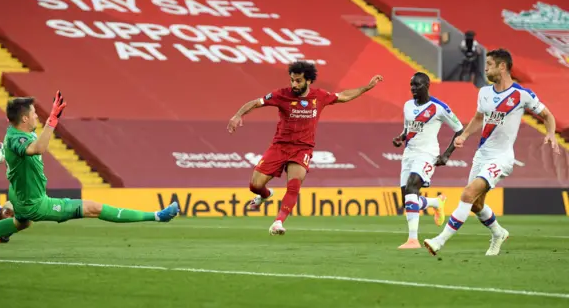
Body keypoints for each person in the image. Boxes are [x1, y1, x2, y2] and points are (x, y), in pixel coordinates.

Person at [0, 91, 180, 259]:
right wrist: (53, 120)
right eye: (34, 113)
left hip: (21, 198)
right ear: (24, 118)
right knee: (94, 208)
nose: (37, 116)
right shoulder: (18, 137)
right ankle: (158, 216)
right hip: (35, 202)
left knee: (20, 223)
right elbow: (38, 149)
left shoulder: (15, 133)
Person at [424, 48, 560, 256]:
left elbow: (547, 115)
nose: (485, 68)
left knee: (467, 193)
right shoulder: (484, 92)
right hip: (482, 155)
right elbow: (479, 118)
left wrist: (550, 133)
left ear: (502, 66)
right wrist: (463, 136)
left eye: (488, 64)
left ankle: (439, 241)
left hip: (502, 157)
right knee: (477, 204)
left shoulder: (521, 95)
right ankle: (498, 233)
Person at [227, 61, 383, 235]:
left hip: (302, 149)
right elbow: (257, 102)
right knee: (255, 185)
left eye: (298, 81)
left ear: (309, 81)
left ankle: (278, 222)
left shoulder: (320, 96)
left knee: (293, 185)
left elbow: (344, 96)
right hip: (279, 146)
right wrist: (237, 115)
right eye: (292, 80)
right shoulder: (281, 95)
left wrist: (367, 87)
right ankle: (264, 195)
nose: (294, 84)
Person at [392, 72, 464, 249]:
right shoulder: (408, 105)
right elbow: (407, 128)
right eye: (411, 85)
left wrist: (447, 154)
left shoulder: (439, 107)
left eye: (417, 85)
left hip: (427, 154)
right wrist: (401, 137)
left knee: (411, 187)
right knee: (408, 198)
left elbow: (460, 129)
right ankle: (435, 202)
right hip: (409, 153)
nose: (413, 89)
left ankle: (413, 240)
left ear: (427, 85)